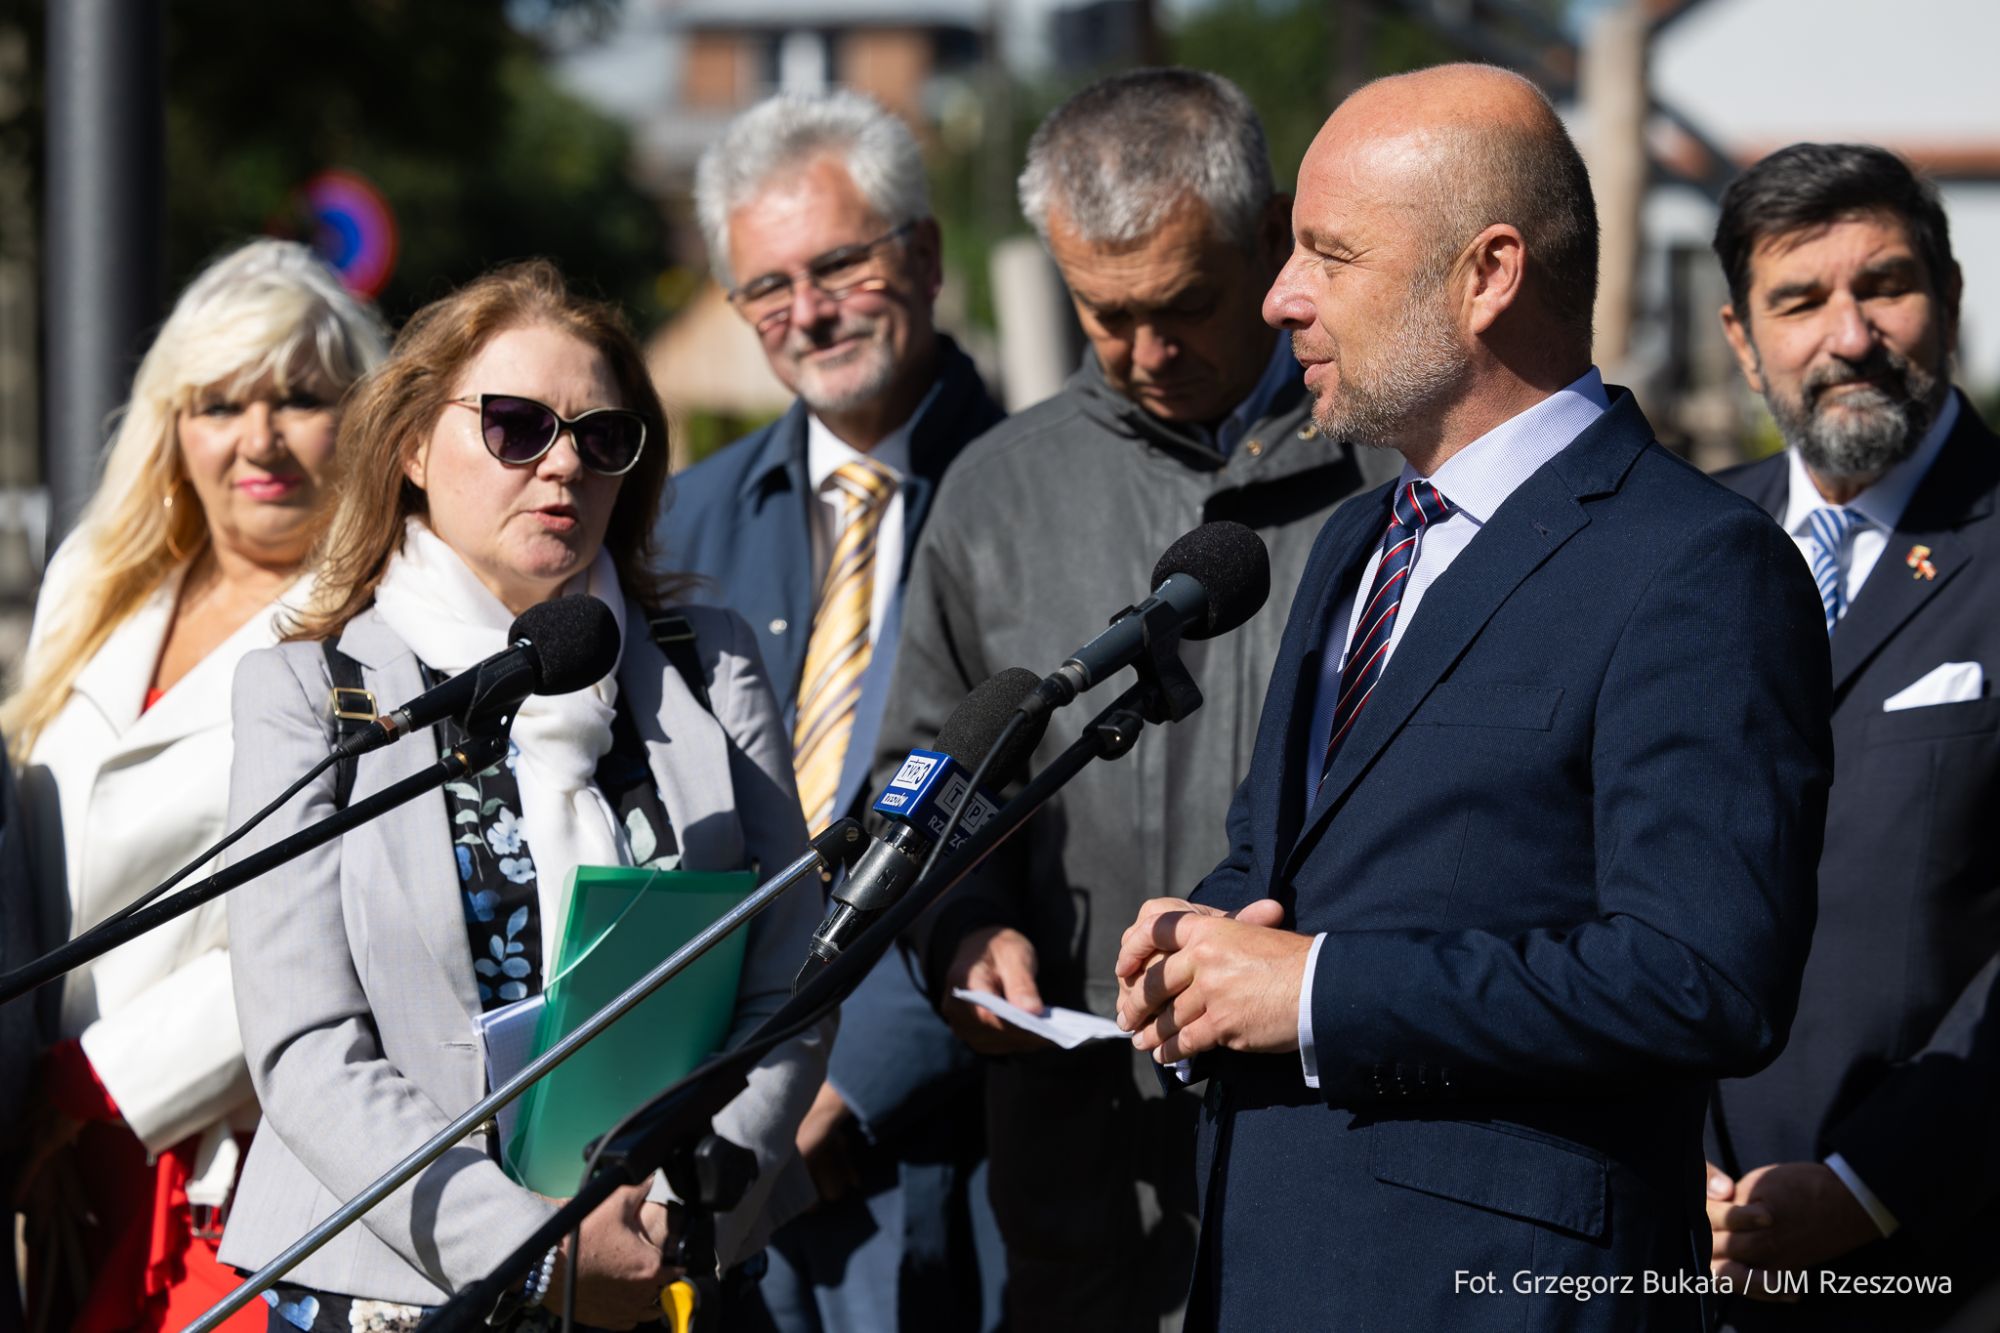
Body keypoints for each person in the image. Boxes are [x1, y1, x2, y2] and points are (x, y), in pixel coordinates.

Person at [1111, 64, 1832, 1331]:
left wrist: (1316, 992)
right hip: (1267, 1267)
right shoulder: (1354, 541)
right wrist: (1200, 943)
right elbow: (1288, 860)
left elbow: (1700, 975)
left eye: (1329, 254)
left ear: (1486, 274)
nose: (1280, 297)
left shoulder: (1697, 566)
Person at [877, 67, 1398, 1330]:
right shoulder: (998, 490)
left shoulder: (1401, 470)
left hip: (1348, 1167)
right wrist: (958, 930)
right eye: (1102, 313)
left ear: (1269, 236)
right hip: (1086, 1198)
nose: (1145, 352)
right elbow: (925, 770)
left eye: (1184, 305)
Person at [214, 261, 827, 1329]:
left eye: (602, 436)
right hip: (405, 1287)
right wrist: (533, 1251)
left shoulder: (708, 664)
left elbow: (790, 975)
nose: (564, 464)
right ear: (412, 447)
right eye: (516, 426)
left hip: (667, 1267)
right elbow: (308, 1050)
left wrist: (679, 1212)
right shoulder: (308, 693)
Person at [658, 90, 1005, 1333]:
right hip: (699, 1131)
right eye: (765, 287)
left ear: (925, 252)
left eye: (839, 265)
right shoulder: (683, 522)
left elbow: (1060, 827)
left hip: (936, 1158)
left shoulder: (1039, 496)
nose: (806, 312)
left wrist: (847, 1080)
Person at [2, 239, 385, 1333]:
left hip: (233, 1152)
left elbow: (345, 916)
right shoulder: (95, 583)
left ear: (361, 418)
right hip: (58, 1148)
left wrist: (89, 1087)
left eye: (299, 399)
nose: (258, 439)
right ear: (172, 425)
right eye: (219, 403)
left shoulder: (381, 623)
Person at [1703, 142, 2000, 1331]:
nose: (1849, 336)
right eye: (1797, 301)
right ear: (1739, 340)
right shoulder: (1675, 551)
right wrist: (1652, 1143)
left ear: (1949, 298)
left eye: (1883, 286)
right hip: (1682, 1251)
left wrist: (1868, 1187)